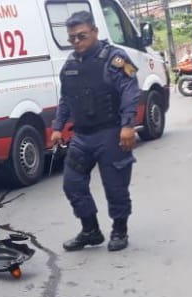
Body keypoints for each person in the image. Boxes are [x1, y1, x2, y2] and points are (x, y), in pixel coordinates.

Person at [50, 11, 140, 252]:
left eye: (82, 36)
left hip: (111, 134)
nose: (77, 42)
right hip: (82, 136)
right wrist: (58, 127)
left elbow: (130, 90)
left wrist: (128, 125)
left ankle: (119, 230)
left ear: (95, 31)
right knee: (72, 183)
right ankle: (90, 230)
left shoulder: (116, 58)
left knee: (115, 187)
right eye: (72, 38)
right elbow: (66, 99)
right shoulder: (70, 64)